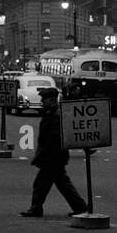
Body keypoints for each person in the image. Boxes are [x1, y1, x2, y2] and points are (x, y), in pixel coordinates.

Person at [21, 88, 87, 217]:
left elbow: (53, 139)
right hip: (54, 157)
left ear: (51, 100)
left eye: (44, 99)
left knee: (41, 184)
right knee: (63, 184)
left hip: (52, 157)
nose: (42, 102)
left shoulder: (55, 115)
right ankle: (80, 207)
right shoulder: (51, 113)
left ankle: (36, 208)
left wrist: (43, 156)